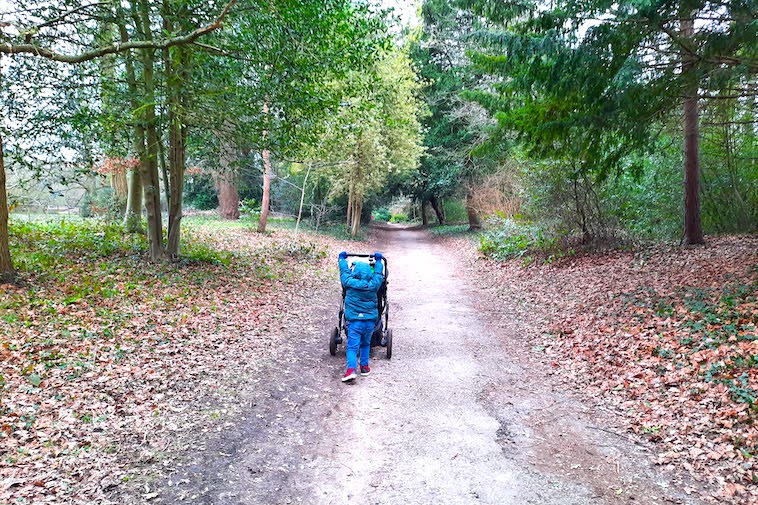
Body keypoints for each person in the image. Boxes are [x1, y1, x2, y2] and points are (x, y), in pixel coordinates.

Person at [338, 251, 385, 382]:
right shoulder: (373, 284)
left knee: (352, 347)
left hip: (354, 322)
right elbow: (378, 275)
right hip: (369, 322)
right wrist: (379, 262)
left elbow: (344, 272)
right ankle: (364, 367)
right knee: (365, 345)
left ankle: (351, 370)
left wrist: (342, 259)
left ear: (355, 272)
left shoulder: (349, 282)